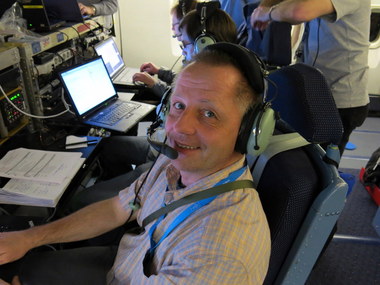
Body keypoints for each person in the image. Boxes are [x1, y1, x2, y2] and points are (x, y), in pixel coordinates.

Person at [0, 43, 271, 284]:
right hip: (124, 263)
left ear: (248, 132)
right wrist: (30, 238)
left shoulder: (219, 257)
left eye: (209, 113)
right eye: (178, 105)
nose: (179, 128)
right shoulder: (173, 162)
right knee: (25, 266)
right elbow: (122, 208)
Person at [68, 1, 239, 214]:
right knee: (109, 146)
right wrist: (160, 74)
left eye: (183, 43)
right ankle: (118, 204)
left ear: (203, 44)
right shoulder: (209, 73)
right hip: (163, 147)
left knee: (82, 201)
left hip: (166, 159)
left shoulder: (211, 86)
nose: (183, 51)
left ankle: (122, 207)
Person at [250, 0, 371, 156]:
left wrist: (267, 14)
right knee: (304, 160)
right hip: (317, 93)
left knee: (318, 167)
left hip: (340, 99)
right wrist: (263, 7)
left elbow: (299, 12)